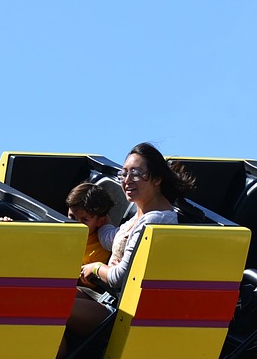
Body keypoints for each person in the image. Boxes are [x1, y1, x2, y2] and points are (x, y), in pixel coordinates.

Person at [66, 142, 196, 340]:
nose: (127, 181)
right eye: (124, 174)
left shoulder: (154, 221)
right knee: (45, 293)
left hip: (120, 311)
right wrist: (104, 222)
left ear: (157, 178)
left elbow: (119, 277)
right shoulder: (140, 215)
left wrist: (96, 268)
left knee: (52, 304)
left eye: (135, 173)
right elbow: (114, 241)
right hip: (105, 297)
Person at [65, 181, 116, 266]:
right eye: (72, 217)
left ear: (100, 221)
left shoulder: (99, 251)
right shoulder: (61, 232)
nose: (76, 224)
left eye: (84, 220)